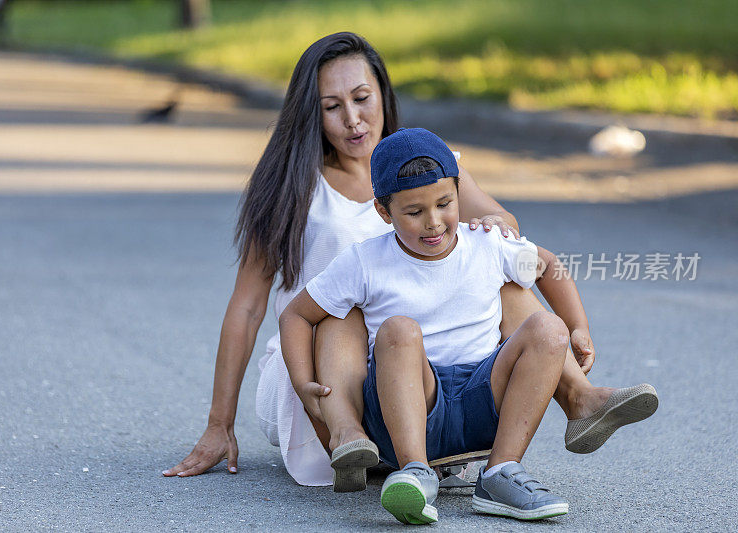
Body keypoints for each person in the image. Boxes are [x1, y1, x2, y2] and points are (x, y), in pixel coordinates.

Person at [162, 32, 648, 487]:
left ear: (382, 92)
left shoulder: (426, 168)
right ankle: (350, 435)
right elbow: (247, 309)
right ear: (312, 113)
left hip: (420, 360)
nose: (352, 119)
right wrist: (218, 424)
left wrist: (497, 227)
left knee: (503, 281)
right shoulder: (291, 189)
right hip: (323, 370)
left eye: (361, 98)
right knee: (345, 309)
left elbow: (505, 226)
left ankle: (577, 396)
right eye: (332, 107)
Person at [279, 128, 658, 523]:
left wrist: (578, 327)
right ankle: (415, 472)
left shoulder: (488, 244)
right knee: (399, 331)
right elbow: (296, 314)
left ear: (460, 192)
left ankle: (500, 471)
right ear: (383, 212)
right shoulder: (364, 261)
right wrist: (303, 382)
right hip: (410, 409)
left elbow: (548, 266)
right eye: (414, 212)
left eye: (445, 203)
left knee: (548, 328)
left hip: (483, 399)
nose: (433, 222)